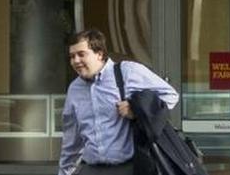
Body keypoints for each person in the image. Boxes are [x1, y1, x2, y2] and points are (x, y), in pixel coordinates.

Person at [59, 29, 180, 175]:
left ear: (99, 54)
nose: (75, 61)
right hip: (90, 168)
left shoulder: (127, 72)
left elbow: (170, 95)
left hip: (128, 168)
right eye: (72, 56)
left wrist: (136, 109)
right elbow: (72, 139)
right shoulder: (75, 89)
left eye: (81, 54)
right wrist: (65, 171)